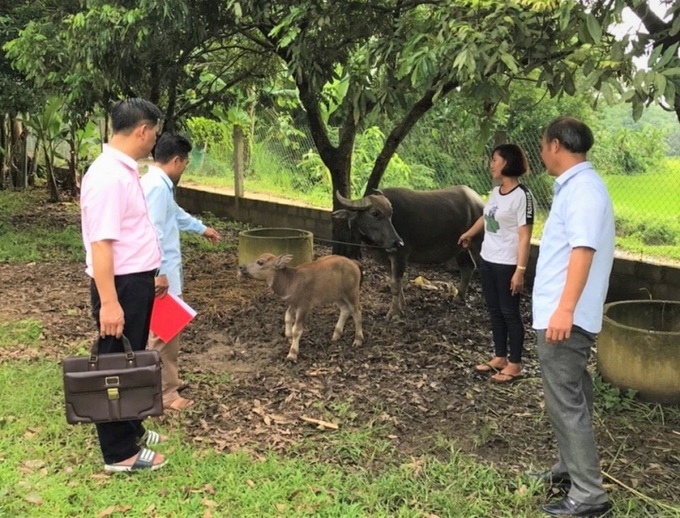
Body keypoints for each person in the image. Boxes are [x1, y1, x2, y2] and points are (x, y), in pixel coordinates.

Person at [530, 117, 614, 517]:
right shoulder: (578, 187)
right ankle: (569, 469)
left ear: (558, 146)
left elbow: (582, 251)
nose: (543, 152)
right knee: (572, 395)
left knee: (566, 402)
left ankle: (589, 495)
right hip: (564, 313)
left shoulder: (582, 190)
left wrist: (563, 310)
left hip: (566, 317)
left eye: (544, 145)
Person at [80, 98, 167, 472]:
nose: (155, 142)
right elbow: (101, 243)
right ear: (143, 130)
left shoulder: (124, 170)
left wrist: (152, 273)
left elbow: (131, 232)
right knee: (115, 362)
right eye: (155, 134)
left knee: (131, 356)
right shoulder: (107, 176)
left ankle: (131, 425)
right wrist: (110, 303)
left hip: (136, 280)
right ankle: (118, 452)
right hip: (120, 285)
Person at [141, 133, 220, 410]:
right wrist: (159, 272)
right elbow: (153, 231)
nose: (185, 168)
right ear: (176, 160)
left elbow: (174, 214)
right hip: (162, 277)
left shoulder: (156, 184)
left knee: (164, 332)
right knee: (165, 334)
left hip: (163, 274)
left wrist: (202, 229)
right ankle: (166, 394)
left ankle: (163, 380)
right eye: (185, 163)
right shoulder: (157, 187)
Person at [459, 143, 534, 383]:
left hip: (507, 263)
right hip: (488, 259)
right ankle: (500, 357)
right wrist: (469, 233)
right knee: (494, 310)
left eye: (495, 160)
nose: (491, 164)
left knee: (510, 312)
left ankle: (515, 364)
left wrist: (519, 271)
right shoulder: (496, 191)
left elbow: (525, 236)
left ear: (508, 163)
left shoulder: (523, 196)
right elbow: (485, 216)